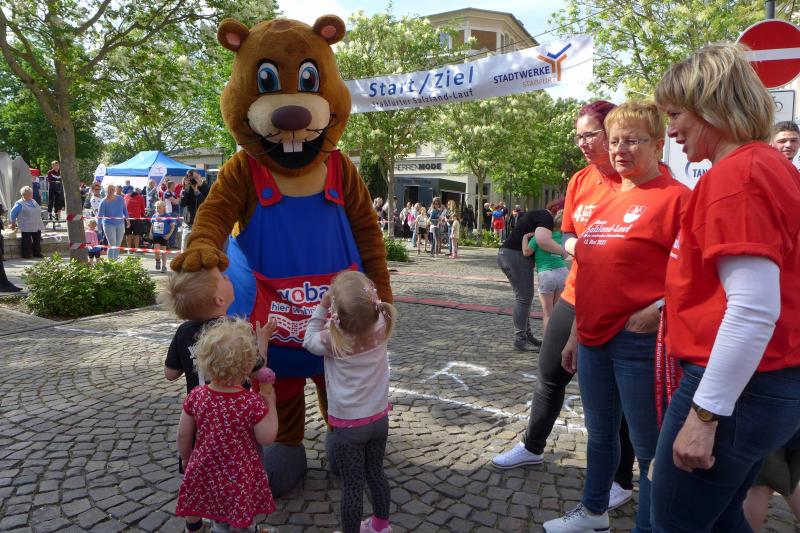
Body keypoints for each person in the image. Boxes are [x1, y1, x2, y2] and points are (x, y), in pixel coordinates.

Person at [650, 43, 800, 532]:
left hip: (739, 386)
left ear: (711, 106)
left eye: (675, 114)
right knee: (719, 521)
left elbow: (753, 309)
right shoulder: (761, 165)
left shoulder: (739, 176)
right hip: (759, 383)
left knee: (676, 524)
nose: (671, 130)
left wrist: (705, 415)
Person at [543, 102, 690, 533]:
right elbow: (588, 272)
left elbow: (698, 273)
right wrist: (575, 335)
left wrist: (659, 308)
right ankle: (593, 512)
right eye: (615, 141)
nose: (620, 149)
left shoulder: (677, 198)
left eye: (633, 141)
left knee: (649, 447)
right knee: (601, 434)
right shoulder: (609, 197)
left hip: (638, 341)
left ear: (658, 145)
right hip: (592, 337)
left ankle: (651, 525)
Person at [492, 101, 638, 514]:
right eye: (578, 136)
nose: (583, 143)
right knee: (550, 373)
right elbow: (569, 232)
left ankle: (620, 480)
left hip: (620, 303)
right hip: (576, 293)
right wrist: (578, 249)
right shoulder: (580, 180)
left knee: (616, 397)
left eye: (591, 134)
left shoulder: (636, 177)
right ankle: (532, 446)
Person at [303, 271, 396, 533]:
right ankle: (381, 526)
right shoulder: (382, 322)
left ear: (337, 314)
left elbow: (308, 339)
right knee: (376, 474)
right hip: (379, 419)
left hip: (348, 428)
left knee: (353, 485)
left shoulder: (332, 339)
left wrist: (322, 306)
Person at [742, 119, 800, 531]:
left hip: (774, 356)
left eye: (793, 141)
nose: (787, 146)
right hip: (781, 351)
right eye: (782, 140)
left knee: (763, 472)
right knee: (785, 466)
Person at [175, 318, 278, 533]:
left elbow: (183, 434)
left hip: (207, 467)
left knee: (213, 508)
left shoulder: (197, 396)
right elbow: (267, 437)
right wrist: (270, 401)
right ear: (248, 366)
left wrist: (185, 457)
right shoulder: (251, 402)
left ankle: (210, 528)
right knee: (242, 517)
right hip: (240, 474)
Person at [496, 206, 565, 352]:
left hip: (508, 254)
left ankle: (527, 335)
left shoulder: (539, 215)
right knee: (524, 297)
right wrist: (563, 252)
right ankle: (520, 339)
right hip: (514, 256)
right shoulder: (546, 217)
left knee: (525, 297)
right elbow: (542, 240)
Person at [522, 209, 568, 332]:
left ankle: (547, 342)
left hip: (546, 273)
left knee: (548, 313)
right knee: (557, 312)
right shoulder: (563, 237)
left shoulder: (540, 236)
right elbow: (565, 255)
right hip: (563, 273)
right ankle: (558, 340)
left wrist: (525, 237)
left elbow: (526, 252)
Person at [9, 186, 45, 259]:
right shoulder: (19, 203)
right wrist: (13, 223)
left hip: (36, 224)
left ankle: (37, 253)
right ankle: (26, 254)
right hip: (26, 225)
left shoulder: (33, 201)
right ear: (24, 194)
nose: (31, 194)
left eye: (31, 193)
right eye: (29, 193)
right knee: (26, 241)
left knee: (37, 239)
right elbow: (13, 213)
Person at [180, 170, 210, 252]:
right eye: (192, 178)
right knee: (184, 251)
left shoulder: (207, 188)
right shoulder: (187, 189)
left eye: (195, 177)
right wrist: (185, 190)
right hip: (189, 224)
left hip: (202, 224)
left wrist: (196, 190)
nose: (194, 180)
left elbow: (205, 203)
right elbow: (182, 204)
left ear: (200, 176)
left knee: (201, 250)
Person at [98, 183, 128, 260]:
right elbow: (100, 216)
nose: (110, 191)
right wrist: (99, 228)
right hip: (108, 225)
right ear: (106, 190)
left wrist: (127, 220)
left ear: (114, 190)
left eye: (112, 189)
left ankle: (115, 261)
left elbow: (125, 210)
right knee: (112, 244)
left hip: (120, 224)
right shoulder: (103, 202)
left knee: (118, 244)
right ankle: (111, 262)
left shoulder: (120, 198)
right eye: (109, 190)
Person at [150, 201, 175, 273]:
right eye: (156, 208)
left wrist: (169, 235)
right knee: (156, 250)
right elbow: (152, 224)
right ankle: (158, 260)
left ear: (164, 208)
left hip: (164, 236)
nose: (158, 209)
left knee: (163, 251)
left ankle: (164, 266)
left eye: (159, 208)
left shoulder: (167, 216)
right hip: (156, 235)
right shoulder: (154, 216)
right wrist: (150, 233)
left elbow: (173, 226)